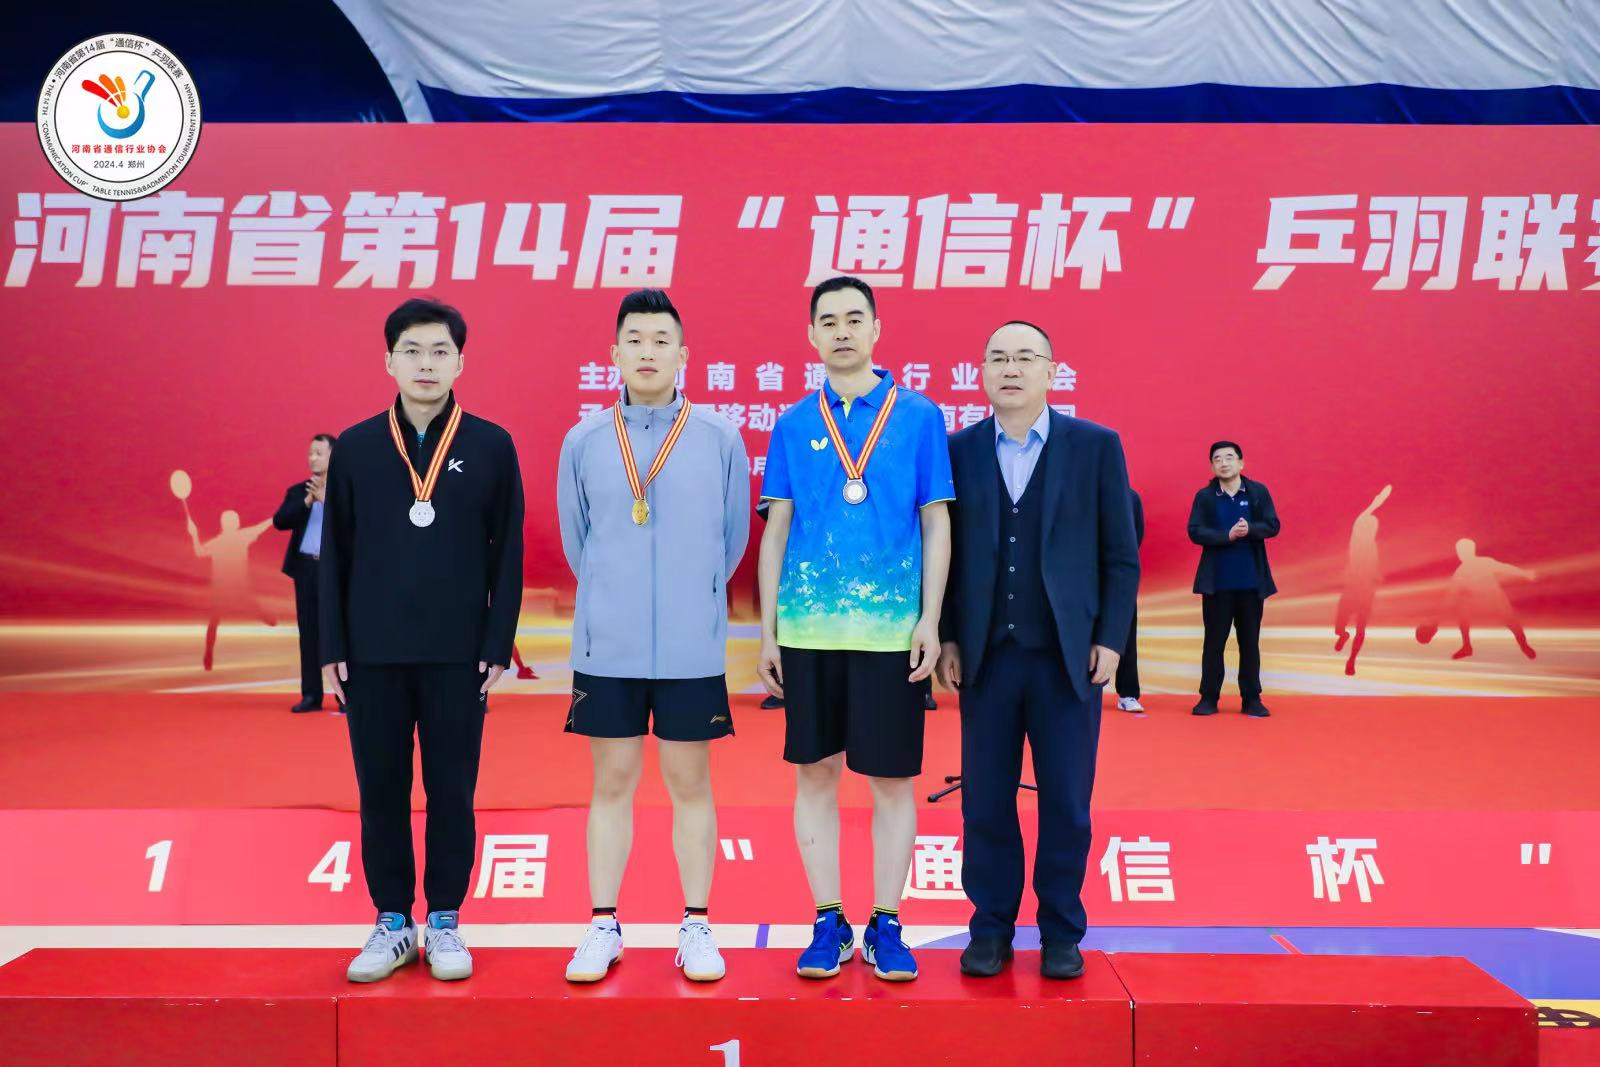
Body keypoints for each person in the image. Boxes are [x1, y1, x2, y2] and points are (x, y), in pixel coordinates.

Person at [320, 297, 524, 983]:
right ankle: (391, 920)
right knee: (380, 789)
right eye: (412, 351)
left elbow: (508, 552)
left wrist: (497, 644)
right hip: (370, 653)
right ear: (388, 360)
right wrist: (331, 647)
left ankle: (444, 920)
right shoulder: (356, 448)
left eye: (440, 351)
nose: (426, 364)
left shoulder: (491, 445)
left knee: (452, 791)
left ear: (461, 361)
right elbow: (334, 554)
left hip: (458, 654)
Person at [758, 275, 953, 983]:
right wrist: (769, 632)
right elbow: (777, 529)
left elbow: (936, 522)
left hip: (890, 633)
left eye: (854, 319)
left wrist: (930, 618)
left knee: (892, 780)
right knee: (815, 774)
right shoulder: (792, 423)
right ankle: (828, 919)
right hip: (808, 630)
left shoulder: (919, 416)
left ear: (876, 328)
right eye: (828, 321)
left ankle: (887, 922)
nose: (841, 331)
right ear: (811, 334)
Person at [556, 289, 750, 984]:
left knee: (689, 782)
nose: (647, 351)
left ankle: (695, 923)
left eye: (661, 340)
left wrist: (695, 601)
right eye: (634, 340)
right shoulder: (583, 440)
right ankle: (603, 924)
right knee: (611, 781)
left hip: (691, 648)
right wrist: (613, 600)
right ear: (613, 353)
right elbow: (578, 542)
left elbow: (732, 540)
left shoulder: (720, 438)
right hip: (608, 645)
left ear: (683, 354)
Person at [936, 321, 1139, 980]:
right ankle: (991, 927)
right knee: (985, 802)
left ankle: (1061, 929)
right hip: (986, 656)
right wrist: (946, 634)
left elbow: (1120, 555)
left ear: (1052, 372)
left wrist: (1111, 638)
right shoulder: (957, 450)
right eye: (997, 358)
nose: (1011, 369)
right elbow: (942, 553)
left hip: (1067, 659)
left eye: (1025, 358)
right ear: (981, 373)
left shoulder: (1096, 446)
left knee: (1067, 803)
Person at [1187, 441, 1279, 717]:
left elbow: (1272, 525)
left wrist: (1250, 529)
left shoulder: (1257, 492)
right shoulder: (1206, 496)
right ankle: (1208, 697)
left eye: (1229, 457)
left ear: (1241, 463)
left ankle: (1251, 698)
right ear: (1212, 466)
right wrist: (1226, 536)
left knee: (1249, 643)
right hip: (1217, 585)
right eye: (1217, 459)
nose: (1224, 463)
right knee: (1213, 643)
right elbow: (1195, 531)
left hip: (1251, 585)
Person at [273, 433, 338, 712]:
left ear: (334, 456)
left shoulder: (345, 490)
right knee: (308, 632)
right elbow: (280, 521)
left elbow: (355, 525)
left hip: (335, 571)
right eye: (311, 453)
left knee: (337, 633)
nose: (313, 458)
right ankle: (311, 695)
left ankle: (344, 696)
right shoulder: (299, 491)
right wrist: (309, 500)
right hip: (307, 570)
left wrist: (327, 500)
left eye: (319, 453)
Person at [1334, 485, 1391, 675]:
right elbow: (1368, 510)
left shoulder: (1374, 548)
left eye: (1373, 526)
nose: (1372, 528)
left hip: (1365, 593)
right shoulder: (1357, 537)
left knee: (1361, 629)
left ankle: (1351, 661)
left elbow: (1375, 572)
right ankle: (1343, 635)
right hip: (1352, 590)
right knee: (1339, 626)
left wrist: (1376, 579)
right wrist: (1381, 498)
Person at [1115, 488, 1145, 712]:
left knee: (1125, 635)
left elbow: (1137, 536)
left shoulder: (1130, 498)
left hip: (1118, 575)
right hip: (1082, 573)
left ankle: (1127, 694)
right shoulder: (1079, 492)